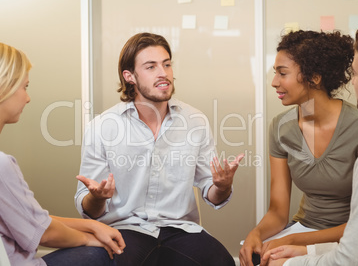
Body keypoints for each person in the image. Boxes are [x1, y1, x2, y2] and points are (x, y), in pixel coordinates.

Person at [75, 32, 243, 266]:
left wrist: (222, 186)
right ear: (129, 76)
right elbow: (89, 209)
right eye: (151, 67)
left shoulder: (195, 120)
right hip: (125, 230)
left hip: (180, 230)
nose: (163, 73)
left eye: (166, 64)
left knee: (222, 262)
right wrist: (97, 198)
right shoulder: (102, 127)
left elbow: (211, 193)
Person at [0, 39, 125, 266]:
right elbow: (43, 234)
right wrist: (89, 239)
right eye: (24, 87)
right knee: (102, 254)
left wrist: (92, 225)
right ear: (1, 86)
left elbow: (30, 219)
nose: (27, 97)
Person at [240, 30, 358, 266]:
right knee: (256, 257)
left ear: (314, 78)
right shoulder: (281, 128)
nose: (274, 82)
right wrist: (257, 234)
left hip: (348, 236)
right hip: (303, 227)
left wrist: (297, 240)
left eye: (283, 73)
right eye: (275, 73)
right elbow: (278, 211)